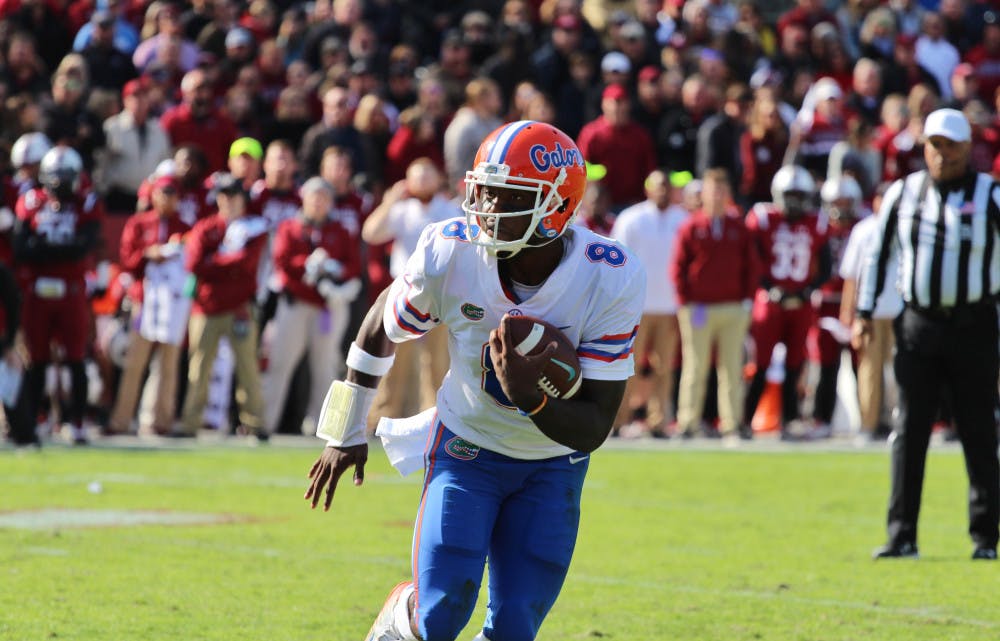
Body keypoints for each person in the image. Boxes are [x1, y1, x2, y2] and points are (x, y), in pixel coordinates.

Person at [303, 121, 644, 640]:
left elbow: (595, 424)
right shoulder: (451, 249)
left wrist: (532, 400)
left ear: (555, 207)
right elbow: (380, 325)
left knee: (514, 626)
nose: (484, 207)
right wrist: (345, 427)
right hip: (467, 448)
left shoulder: (609, 275)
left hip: (552, 466)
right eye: (482, 189)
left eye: (506, 195)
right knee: (440, 614)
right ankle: (400, 614)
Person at [856, 108, 1000, 560]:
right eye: (934, 145)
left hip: (974, 324)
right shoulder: (904, 192)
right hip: (918, 326)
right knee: (909, 429)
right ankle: (902, 536)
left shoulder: (991, 194)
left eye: (950, 146)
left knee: (978, 432)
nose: (941, 155)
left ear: (966, 149)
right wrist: (864, 311)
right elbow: (878, 254)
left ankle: (985, 538)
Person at [13, 145, 104, 445]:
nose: (63, 184)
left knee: (76, 358)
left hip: (71, 290)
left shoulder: (86, 202)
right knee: (36, 360)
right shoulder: (31, 201)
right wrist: (60, 252)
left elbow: (83, 246)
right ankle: (35, 420)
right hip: (38, 292)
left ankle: (76, 422)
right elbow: (21, 248)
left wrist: (45, 251)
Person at [260, 177, 361, 438]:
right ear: (304, 199)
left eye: (324, 198)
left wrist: (333, 271)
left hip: (328, 306)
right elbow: (282, 261)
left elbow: (352, 265)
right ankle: (264, 423)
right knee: (280, 363)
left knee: (325, 366)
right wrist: (309, 264)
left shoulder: (339, 230)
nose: (318, 203)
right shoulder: (290, 227)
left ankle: (322, 426)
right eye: (314, 197)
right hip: (295, 303)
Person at [670, 168, 759, 442]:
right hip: (698, 308)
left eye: (721, 190)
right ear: (703, 194)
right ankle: (688, 421)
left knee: (732, 367)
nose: (717, 196)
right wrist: (685, 301)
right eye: (712, 190)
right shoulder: (691, 226)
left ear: (728, 194)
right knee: (695, 366)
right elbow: (678, 267)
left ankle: (731, 423)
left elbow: (752, 266)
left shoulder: (738, 227)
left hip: (731, 306)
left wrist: (747, 299)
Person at [744, 164, 832, 440]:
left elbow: (826, 265)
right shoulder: (763, 217)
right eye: (789, 194)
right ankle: (746, 419)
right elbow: (753, 258)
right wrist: (768, 288)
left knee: (796, 363)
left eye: (798, 195)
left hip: (801, 302)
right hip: (770, 301)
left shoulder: (816, 222)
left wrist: (808, 290)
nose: (794, 201)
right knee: (761, 362)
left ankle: (791, 418)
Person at [179, 173, 267, 438]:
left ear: (243, 199)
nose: (228, 201)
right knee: (199, 367)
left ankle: (254, 423)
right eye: (223, 195)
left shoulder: (255, 228)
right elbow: (193, 264)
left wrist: (213, 262)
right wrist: (226, 263)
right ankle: (190, 423)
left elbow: (247, 264)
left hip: (240, 307)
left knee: (247, 368)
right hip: (206, 308)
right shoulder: (206, 228)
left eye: (234, 195)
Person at [609, 169, 688, 437]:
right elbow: (616, 260)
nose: (663, 191)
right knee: (626, 366)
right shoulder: (632, 219)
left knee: (664, 368)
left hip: (669, 307)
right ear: (648, 189)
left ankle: (658, 421)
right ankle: (619, 419)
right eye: (658, 186)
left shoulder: (682, 219)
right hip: (636, 308)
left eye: (667, 186)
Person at [839, 184, 900, 441]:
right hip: (870, 312)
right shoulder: (863, 230)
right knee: (869, 370)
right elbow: (851, 275)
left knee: (900, 371)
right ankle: (868, 424)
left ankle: (899, 421)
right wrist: (848, 310)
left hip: (901, 310)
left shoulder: (906, 226)